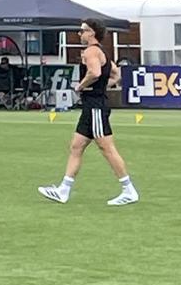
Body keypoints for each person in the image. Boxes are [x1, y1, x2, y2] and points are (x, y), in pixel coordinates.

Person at [36, 19, 138, 205]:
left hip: (95, 106)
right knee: (76, 146)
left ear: (92, 33)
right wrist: (100, 87)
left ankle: (128, 190)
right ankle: (63, 190)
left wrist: (81, 86)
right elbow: (116, 75)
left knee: (106, 148)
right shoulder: (101, 51)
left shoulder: (91, 51)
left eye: (83, 31)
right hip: (92, 105)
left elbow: (95, 73)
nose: (79, 34)